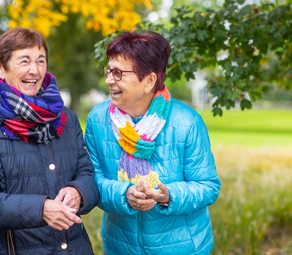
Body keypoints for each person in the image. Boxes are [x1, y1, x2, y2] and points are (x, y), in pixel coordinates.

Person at [0, 27, 99, 255]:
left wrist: (79, 191)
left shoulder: (65, 118)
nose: (34, 70)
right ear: (0, 68)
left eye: (40, 60)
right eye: (24, 61)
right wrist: (40, 209)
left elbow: (88, 175)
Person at [84, 30, 221, 255]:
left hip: (183, 248)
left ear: (148, 81)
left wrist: (170, 196)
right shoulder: (98, 119)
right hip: (121, 247)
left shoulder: (187, 122)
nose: (109, 80)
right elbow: (91, 180)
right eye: (109, 70)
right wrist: (124, 194)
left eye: (118, 73)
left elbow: (208, 186)